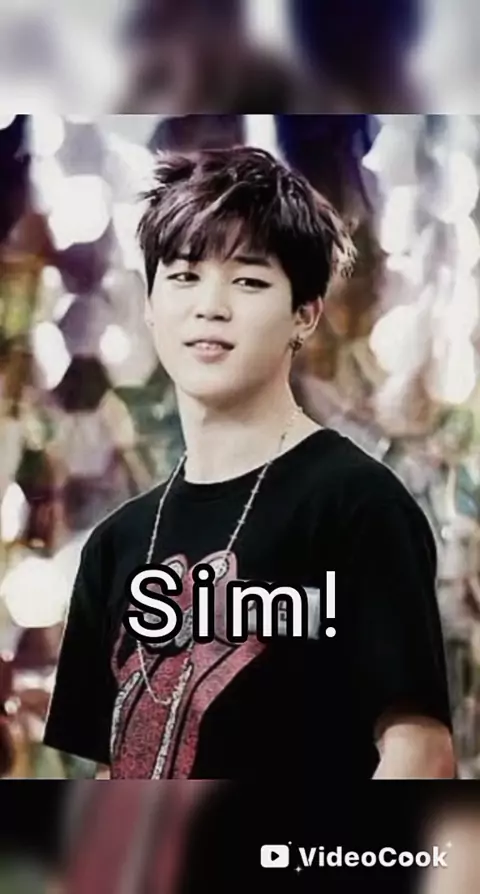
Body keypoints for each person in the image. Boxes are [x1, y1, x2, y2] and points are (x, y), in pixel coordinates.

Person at [44, 145, 455, 780]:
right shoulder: (115, 545)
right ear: (149, 305)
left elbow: (420, 755)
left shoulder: (357, 504)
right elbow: (109, 774)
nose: (211, 305)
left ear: (304, 314)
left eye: (248, 280)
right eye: (184, 276)